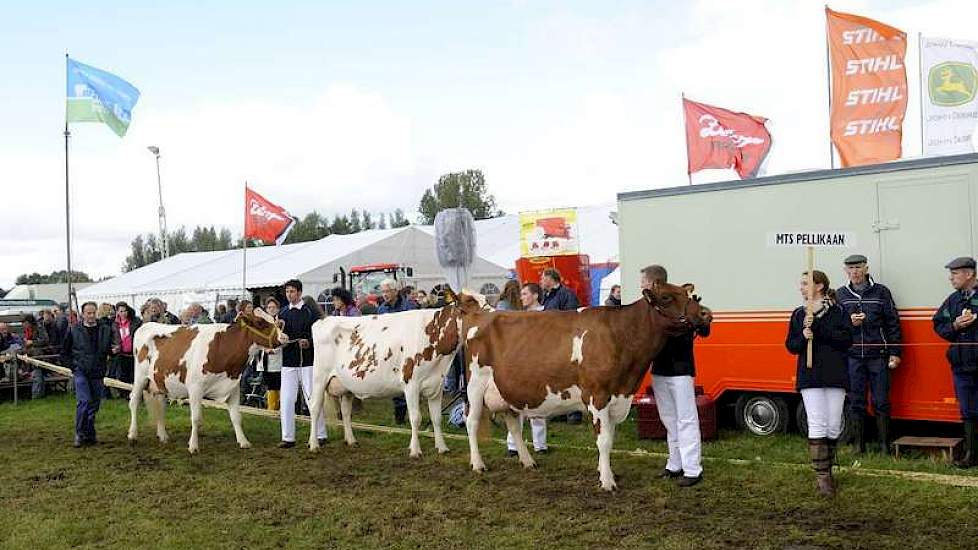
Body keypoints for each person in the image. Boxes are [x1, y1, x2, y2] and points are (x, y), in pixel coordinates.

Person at [641, 265, 710, 488]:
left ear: (653, 283)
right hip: (660, 369)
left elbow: (704, 325)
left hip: (681, 369)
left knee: (686, 419)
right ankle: (675, 463)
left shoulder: (680, 301)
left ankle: (692, 469)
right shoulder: (650, 306)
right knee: (669, 419)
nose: (641, 285)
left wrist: (700, 319)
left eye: (643, 281)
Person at [786, 270, 852, 497]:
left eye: (805, 283)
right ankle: (822, 477)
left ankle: (829, 467)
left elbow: (846, 340)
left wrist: (818, 328)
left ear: (820, 286)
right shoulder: (798, 314)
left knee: (834, 424)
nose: (801, 288)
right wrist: (804, 335)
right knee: (816, 422)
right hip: (810, 374)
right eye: (801, 283)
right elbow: (791, 346)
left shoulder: (839, 311)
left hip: (835, 373)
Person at [835, 254, 902, 454]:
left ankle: (884, 446)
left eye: (858, 267)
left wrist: (895, 352)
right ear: (846, 271)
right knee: (856, 402)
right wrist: (850, 323)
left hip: (878, 355)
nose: (854, 272)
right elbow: (836, 327)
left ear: (866, 268)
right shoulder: (841, 294)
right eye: (850, 268)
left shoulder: (881, 292)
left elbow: (893, 323)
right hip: (853, 356)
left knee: (881, 401)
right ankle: (859, 446)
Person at [933, 256, 978, 469]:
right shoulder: (953, 299)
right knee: (968, 411)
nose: (950, 278)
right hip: (962, 366)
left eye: (955, 273)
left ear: (969, 274)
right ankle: (971, 455)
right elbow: (938, 324)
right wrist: (955, 326)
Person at [278, 279, 327, 448]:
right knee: (287, 398)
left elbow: (319, 334)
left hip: (308, 360)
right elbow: (278, 336)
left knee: (312, 397)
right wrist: (280, 337)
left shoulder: (309, 312)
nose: (289, 294)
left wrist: (309, 342)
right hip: (288, 361)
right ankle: (287, 437)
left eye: (292, 291)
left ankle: (320, 433)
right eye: (287, 292)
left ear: (299, 292)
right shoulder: (283, 313)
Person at [505, 282, 549, 456]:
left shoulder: (547, 315)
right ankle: (513, 444)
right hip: (521, 363)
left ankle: (540, 444)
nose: (521, 297)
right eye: (521, 294)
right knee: (517, 403)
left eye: (525, 294)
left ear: (535, 295)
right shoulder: (520, 317)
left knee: (539, 402)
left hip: (540, 362)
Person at [61, 302, 113, 447]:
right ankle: (79, 433)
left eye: (93, 313)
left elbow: (106, 350)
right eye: (88, 313)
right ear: (82, 314)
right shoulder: (73, 330)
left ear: (96, 313)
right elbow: (64, 353)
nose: (91, 316)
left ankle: (89, 433)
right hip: (81, 371)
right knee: (84, 402)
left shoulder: (105, 330)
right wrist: (74, 367)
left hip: (97, 371)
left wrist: (112, 352)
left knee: (94, 405)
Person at [377, 278, 417, 424]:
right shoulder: (382, 309)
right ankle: (400, 415)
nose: (385, 294)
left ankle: (412, 412)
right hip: (392, 350)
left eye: (387, 291)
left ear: (395, 291)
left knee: (411, 380)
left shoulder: (409, 307)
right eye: (383, 291)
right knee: (396, 380)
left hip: (409, 348)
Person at [111, 302, 142, 399]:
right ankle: (124, 394)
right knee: (123, 375)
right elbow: (113, 337)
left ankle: (135, 394)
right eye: (121, 311)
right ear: (117, 312)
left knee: (134, 374)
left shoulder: (135, 321)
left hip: (133, 353)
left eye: (125, 311)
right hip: (121, 353)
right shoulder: (114, 324)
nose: (123, 313)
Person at [260, 297, 283, 411]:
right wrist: (264, 348)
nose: (271, 309)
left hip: (278, 358)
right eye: (269, 307)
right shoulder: (263, 323)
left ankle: (280, 409)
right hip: (266, 359)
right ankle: (271, 409)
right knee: (269, 385)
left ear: (278, 309)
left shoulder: (281, 322)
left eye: (273, 307)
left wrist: (274, 349)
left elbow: (284, 339)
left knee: (278, 384)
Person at [21, 314, 50, 399]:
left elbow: (45, 340)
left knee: (37, 372)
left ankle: (37, 394)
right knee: (36, 373)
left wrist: (32, 342)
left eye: (25, 323)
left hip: (40, 354)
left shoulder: (39, 327)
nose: (23, 325)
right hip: (30, 354)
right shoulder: (27, 330)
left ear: (30, 322)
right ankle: (37, 393)